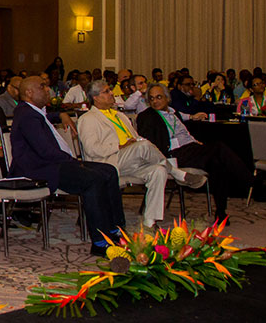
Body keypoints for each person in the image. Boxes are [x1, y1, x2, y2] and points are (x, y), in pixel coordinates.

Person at [9, 76, 125, 256]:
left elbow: (46, 117)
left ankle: (115, 230)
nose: (48, 90)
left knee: (109, 171)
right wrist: (72, 161)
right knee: (92, 179)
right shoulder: (26, 115)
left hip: (52, 163)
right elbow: (44, 151)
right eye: (42, 86)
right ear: (29, 93)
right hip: (38, 169)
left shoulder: (33, 111)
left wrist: (61, 114)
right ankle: (100, 242)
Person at [77, 81, 205, 230]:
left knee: (158, 170)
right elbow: (91, 149)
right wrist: (119, 146)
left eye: (110, 90)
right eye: (106, 91)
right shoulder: (88, 119)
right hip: (107, 162)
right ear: (95, 98)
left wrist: (135, 143)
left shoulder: (120, 116)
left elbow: (136, 138)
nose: (111, 93)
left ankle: (149, 221)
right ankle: (176, 173)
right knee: (143, 146)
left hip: (131, 161)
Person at [136, 83, 252, 223]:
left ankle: (221, 213)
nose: (155, 101)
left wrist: (196, 143)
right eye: (152, 98)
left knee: (217, 164)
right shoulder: (146, 116)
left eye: (159, 97)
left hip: (190, 149)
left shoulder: (174, 113)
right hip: (173, 154)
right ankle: (250, 181)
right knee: (219, 148)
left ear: (167, 98)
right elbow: (149, 144)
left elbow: (185, 134)